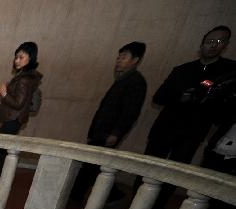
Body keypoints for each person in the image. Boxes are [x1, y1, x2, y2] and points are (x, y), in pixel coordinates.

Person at [145, 26, 234, 165]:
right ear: (201, 44)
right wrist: (180, 98)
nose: (214, 45)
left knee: (175, 174)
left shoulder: (228, 73)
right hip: (165, 129)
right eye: (210, 41)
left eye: (219, 41)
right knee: (148, 167)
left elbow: (224, 107)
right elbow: (158, 97)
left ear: (225, 45)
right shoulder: (182, 70)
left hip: (191, 134)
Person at [71, 42, 147, 199]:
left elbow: (130, 112)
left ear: (135, 60)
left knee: (92, 167)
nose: (119, 60)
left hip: (108, 133)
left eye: (124, 57)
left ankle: (85, 196)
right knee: (93, 166)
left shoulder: (136, 82)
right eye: (118, 57)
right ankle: (79, 196)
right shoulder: (122, 79)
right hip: (100, 132)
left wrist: (116, 133)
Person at [0, 41, 43, 196]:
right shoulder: (25, 77)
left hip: (12, 121)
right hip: (13, 121)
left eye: (21, 57)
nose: (17, 60)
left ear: (30, 58)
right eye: (16, 57)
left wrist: (5, 94)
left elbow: (19, 104)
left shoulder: (25, 79)